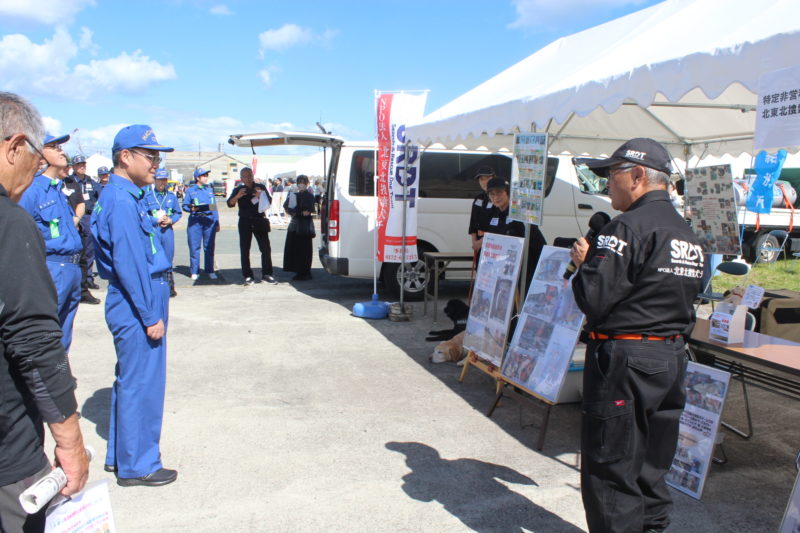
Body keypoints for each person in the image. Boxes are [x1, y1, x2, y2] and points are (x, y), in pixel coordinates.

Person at [570, 138, 704, 533]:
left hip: (625, 364)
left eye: (612, 175)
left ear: (638, 175)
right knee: (651, 468)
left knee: (611, 472)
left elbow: (592, 298)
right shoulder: (686, 233)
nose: (606, 184)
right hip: (669, 360)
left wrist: (585, 265)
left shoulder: (626, 227)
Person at [0, 90, 89, 532]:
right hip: (8, 453)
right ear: (15, 146)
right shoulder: (9, 221)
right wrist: (70, 443)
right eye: (36, 154)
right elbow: (34, 344)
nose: (38, 165)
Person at [91, 124, 177, 487]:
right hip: (138, 297)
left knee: (131, 380)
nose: (156, 164)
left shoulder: (127, 196)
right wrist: (149, 314)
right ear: (125, 157)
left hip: (139, 294)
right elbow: (129, 263)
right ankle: (139, 464)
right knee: (143, 383)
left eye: (157, 157)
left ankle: (122, 455)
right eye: (150, 156)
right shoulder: (122, 200)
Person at [19, 132, 85, 354]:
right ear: (38, 153)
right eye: (54, 146)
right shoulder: (32, 190)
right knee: (46, 332)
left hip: (72, 268)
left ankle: (59, 370)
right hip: (53, 268)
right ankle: (43, 374)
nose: (61, 151)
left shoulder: (57, 189)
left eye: (60, 146)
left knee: (64, 333)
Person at [227, 167, 277, 285]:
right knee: (245, 249)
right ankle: (248, 275)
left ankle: (267, 274)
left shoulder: (260, 187)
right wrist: (238, 196)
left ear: (253, 176)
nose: (248, 178)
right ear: (241, 178)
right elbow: (230, 203)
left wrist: (260, 195)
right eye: (245, 176)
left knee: (265, 248)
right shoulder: (239, 189)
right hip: (245, 221)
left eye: (250, 175)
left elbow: (269, 202)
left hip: (259, 220)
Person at [66, 155, 101, 295]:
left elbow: (101, 196)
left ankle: (88, 278)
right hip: (73, 218)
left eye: (83, 164)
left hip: (88, 217)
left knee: (89, 250)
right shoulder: (68, 181)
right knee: (75, 249)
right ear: (73, 167)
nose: (82, 167)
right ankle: (76, 281)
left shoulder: (91, 181)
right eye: (79, 165)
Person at [145, 169, 182, 297]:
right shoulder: (148, 196)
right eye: (160, 180)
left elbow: (178, 212)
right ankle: (155, 285)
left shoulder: (171, 196)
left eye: (164, 180)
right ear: (155, 180)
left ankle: (169, 286)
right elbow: (144, 215)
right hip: (154, 231)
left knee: (168, 257)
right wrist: (155, 220)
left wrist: (171, 220)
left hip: (167, 231)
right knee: (154, 257)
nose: (162, 183)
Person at [182, 167, 220, 280]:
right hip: (196, 221)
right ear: (197, 178)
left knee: (209, 247)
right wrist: (192, 208)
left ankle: (210, 270)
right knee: (194, 247)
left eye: (206, 175)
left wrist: (217, 221)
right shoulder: (191, 190)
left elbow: (214, 207)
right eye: (203, 176)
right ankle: (194, 271)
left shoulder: (209, 190)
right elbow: (185, 205)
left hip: (209, 221)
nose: (206, 178)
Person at [283, 174, 316, 280]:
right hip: (294, 223)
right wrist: (295, 211)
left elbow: (309, 210)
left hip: (304, 225)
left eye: (303, 182)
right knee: (294, 248)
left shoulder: (310, 195)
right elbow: (287, 206)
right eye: (299, 182)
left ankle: (305, 272)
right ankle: (298, 271)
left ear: (307, 183)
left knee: (305, 249)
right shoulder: (293, 194)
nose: (301, 184)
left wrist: (297, 211)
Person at [469, 166, 496, 253]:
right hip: (479, 242)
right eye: (481, 179)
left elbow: (498, 227)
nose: (484, 182)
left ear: (494, 178)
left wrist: (481, 242)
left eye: (487, 178)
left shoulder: (498, 198)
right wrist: (475, 243)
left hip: (493, 243)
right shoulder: (478, 198)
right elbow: (473, 223)